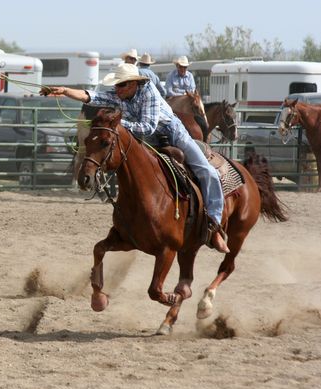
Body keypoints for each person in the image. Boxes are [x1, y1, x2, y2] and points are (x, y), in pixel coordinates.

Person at [40, 63, 229, 253]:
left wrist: (119, 127)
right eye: (116, 85)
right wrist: (64, 91)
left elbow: (148, 126)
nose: (116, 89)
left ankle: (214, 225)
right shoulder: (119, 94)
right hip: (144, 138)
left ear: (133, 84)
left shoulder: (149, 93)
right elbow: (91, 96)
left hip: (172, 134)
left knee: (208, 172)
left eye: (120, 85)